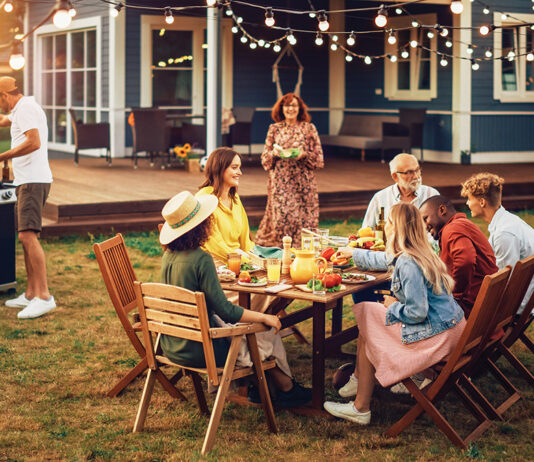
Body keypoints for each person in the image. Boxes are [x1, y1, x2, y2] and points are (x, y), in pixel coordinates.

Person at [158, 190, 311, 407]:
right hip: (203, 349)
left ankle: (267, 388)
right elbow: (226, 311)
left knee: (254, 330)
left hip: (173, 344)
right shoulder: (201, 259)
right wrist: (264, 318)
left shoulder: (167, 257)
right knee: (263, 331)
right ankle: (285, 389)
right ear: (201, 226)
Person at [323, 203, 465, 424]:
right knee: (368, 322)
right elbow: (387, 260)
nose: (386, 226)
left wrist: (393, 307)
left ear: (397, 228)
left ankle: (360, 406)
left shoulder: (409, 263)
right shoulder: (421, 252)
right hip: (452, 330)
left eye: (389, 222)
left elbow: (417, 312)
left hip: (436, 338)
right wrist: (355, 254)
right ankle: (359, 382)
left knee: (370, 321)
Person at [0, 76, 55, 319]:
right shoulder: (22, 108)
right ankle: (31, 293)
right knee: (24, 237)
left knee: (27, 236)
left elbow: (33, 142)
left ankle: (44, 296)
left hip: (33, 180)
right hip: (26, 180)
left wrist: (3, 156)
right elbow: (5, 120)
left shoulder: (26, 109)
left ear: (5, 96)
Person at [254, 93, 324, 247]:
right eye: (287, 105)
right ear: (281, 108)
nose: (290, 108)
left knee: (304, 218)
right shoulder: (274, 128)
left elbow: (319, 159)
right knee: (282, 217)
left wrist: (304, 155)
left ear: (299, 108)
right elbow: (265, 159)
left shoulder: (309, 128)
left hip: (303, 182)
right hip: (280, 180)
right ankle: (281, 251)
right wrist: (274, 153)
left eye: (294, 105)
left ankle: (302, 251)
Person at [461, 173, 534, 314]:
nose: (467, 203)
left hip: (518, 305)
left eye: (469, 199)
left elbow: (505, 280)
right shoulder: (508, 221)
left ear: (482, 202)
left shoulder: (504, 233)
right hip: (525, 295)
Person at [419, 195, 498, 316]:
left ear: (442, 210)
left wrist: (455, 295)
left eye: (425, 219)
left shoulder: (452, 228)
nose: (424, 227)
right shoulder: (461, 224)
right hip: (487, 304)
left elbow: (465, 260)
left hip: (472, 309)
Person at [361, 153, 439, 229]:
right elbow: (366, 230)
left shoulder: (432, 195)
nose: (416, 176)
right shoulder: (380, 198)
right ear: (395, 176)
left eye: (417, 170)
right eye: (409, 172)